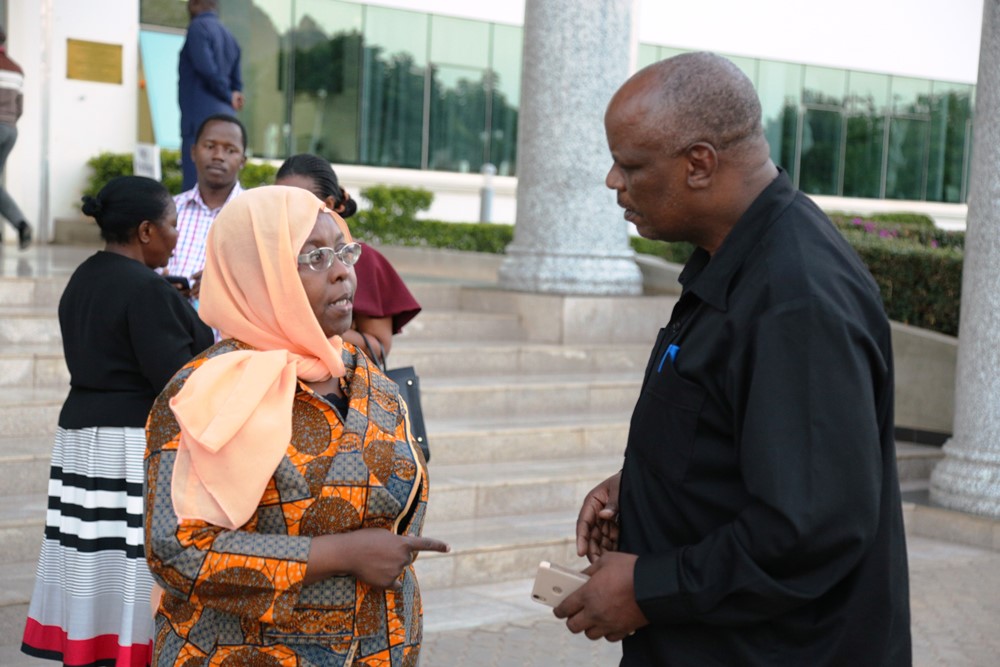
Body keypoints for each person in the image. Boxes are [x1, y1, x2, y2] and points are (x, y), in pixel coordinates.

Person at [558, 52, 911, 665]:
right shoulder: (734, 260)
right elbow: (738, 436)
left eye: (630, 165)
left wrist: (648, 588)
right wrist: (642, 487)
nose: (613, 181)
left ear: (699, 163)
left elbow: (812, 528)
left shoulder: (796, 298)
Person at [144, 185, 448, 665]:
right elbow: (174, 550)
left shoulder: (366, 377)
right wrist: (341, 554)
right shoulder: (207, 390)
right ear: (259, 272)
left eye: (344, 251)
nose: (343, 271)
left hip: (378, 646)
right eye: (315, 257)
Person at [21, 176, 214, 666]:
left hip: (81, 441)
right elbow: (178, 381)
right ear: (146, 231)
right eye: (173, 225)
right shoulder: (147, 290)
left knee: (90, 559)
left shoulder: (85, 276)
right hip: (127, 446)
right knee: (132, 563)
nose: (177, 237)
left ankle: (91, 648)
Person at [275, 153, 421, 361]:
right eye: (280, 204)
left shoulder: (361, 258)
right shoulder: (271, 255)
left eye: (297, 203)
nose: (287, 213)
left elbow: (379, 348)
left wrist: (311, 326)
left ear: (328, 204)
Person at [165, 113, 246, 303]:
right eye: (210, 146)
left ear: (243, 160)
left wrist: (223, 287)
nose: (218, 156)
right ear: (193, 152)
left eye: (230, 150)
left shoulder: (257, 216)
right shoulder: (167, 209)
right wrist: (160, 286)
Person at [178, 0, 244, 191]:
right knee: (224, 184)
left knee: (195, 185)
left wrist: (226, 94)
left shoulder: (198, 28)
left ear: (195, 4)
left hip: (200, 122)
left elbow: (206, 69)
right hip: (228, 120)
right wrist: (231, 95)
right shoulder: (230, 36)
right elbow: (237, 84)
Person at [0, 26, 31, 249]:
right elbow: (19, 107)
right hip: (10, 130)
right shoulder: (16, 69)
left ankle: (20, 223)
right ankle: (20, 223)